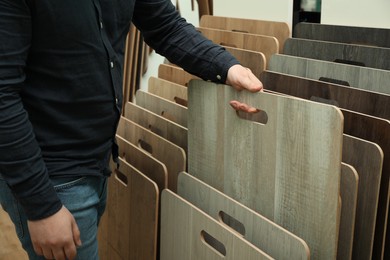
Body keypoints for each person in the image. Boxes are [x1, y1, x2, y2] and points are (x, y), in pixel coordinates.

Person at [0, 0, 263, 259]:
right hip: (50, 174)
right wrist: (42, 207)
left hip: (96, 160)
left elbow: (165, 25)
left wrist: (228, 68)